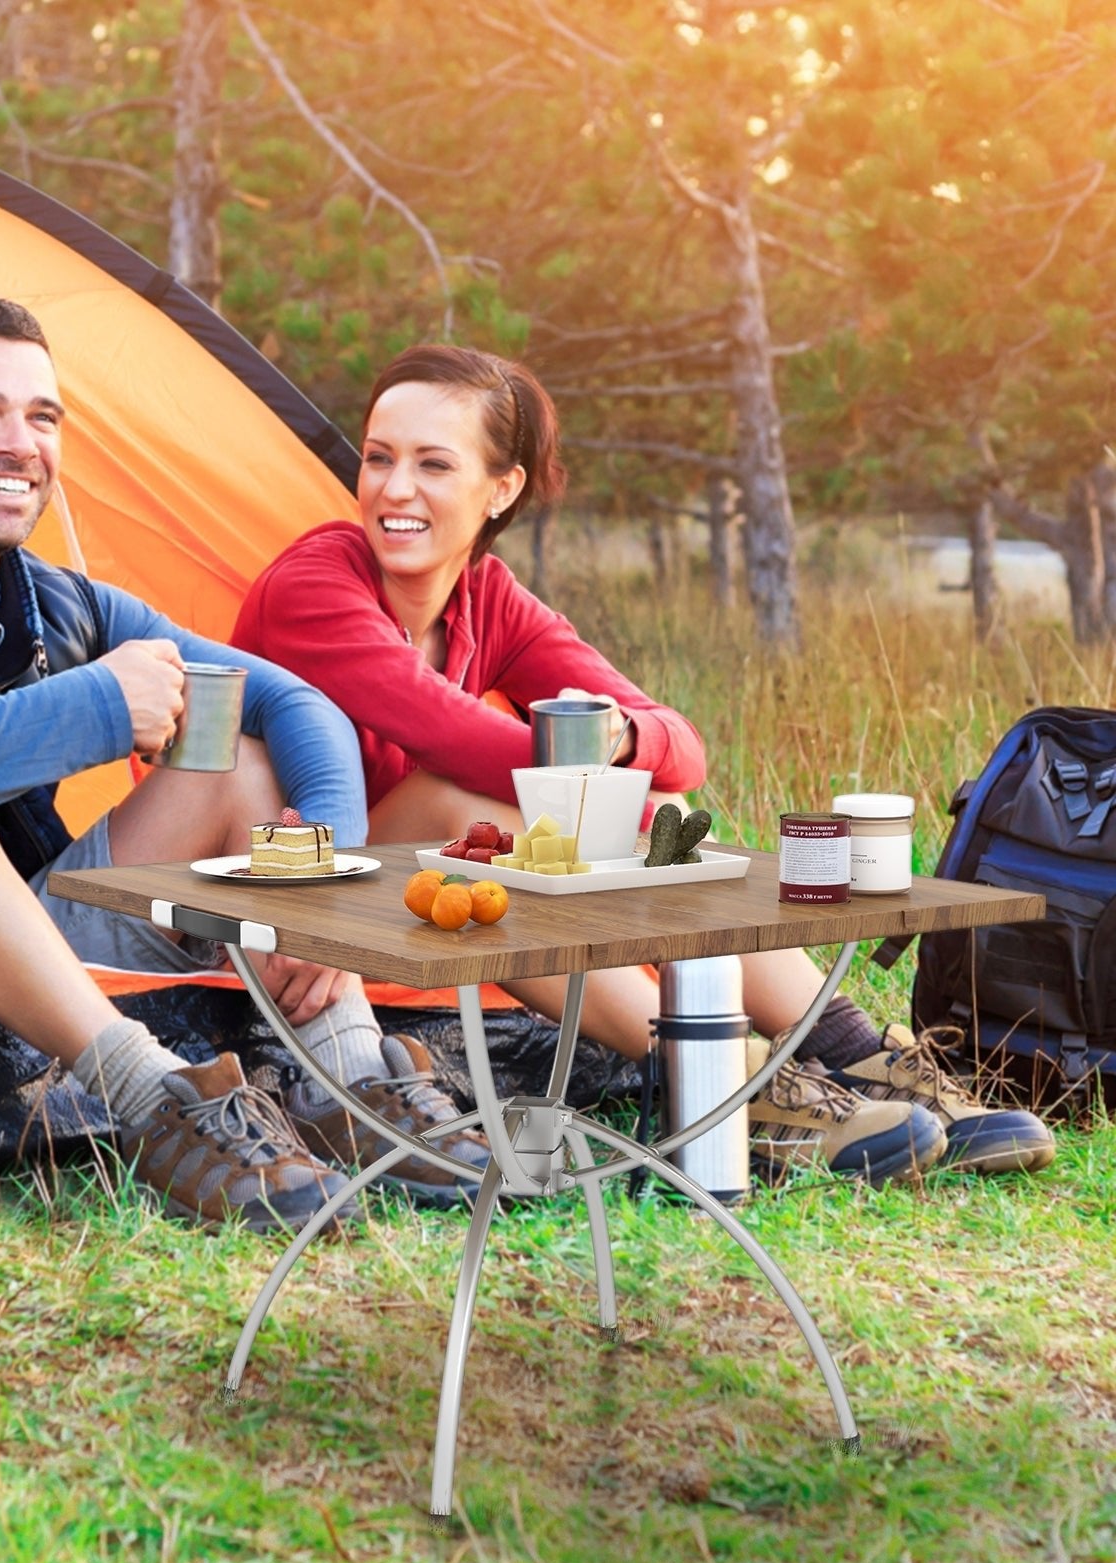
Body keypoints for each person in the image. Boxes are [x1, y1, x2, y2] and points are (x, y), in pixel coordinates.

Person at [233, 344, 1055, 1180]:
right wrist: (597, 780)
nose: (393, 489)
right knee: (476, 810)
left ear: (501, 488)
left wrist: (621, 741)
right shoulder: (317, 582)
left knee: (647, 820)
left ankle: (848, 1050)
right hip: (299, 892)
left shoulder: (490, 599)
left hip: (414, 903)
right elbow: (457, 740)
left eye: (432, 464)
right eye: (379, 458)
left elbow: (680, 747)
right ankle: (723, 1083)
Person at [0, 297, 489, 1230]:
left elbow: (295, 703)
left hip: (28, 936)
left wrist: (325, 884)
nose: (16, 442)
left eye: (41, 417)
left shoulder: (64, 604)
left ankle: (349, 1079)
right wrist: (97, 709)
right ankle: (158, 1103)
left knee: (238, 760)